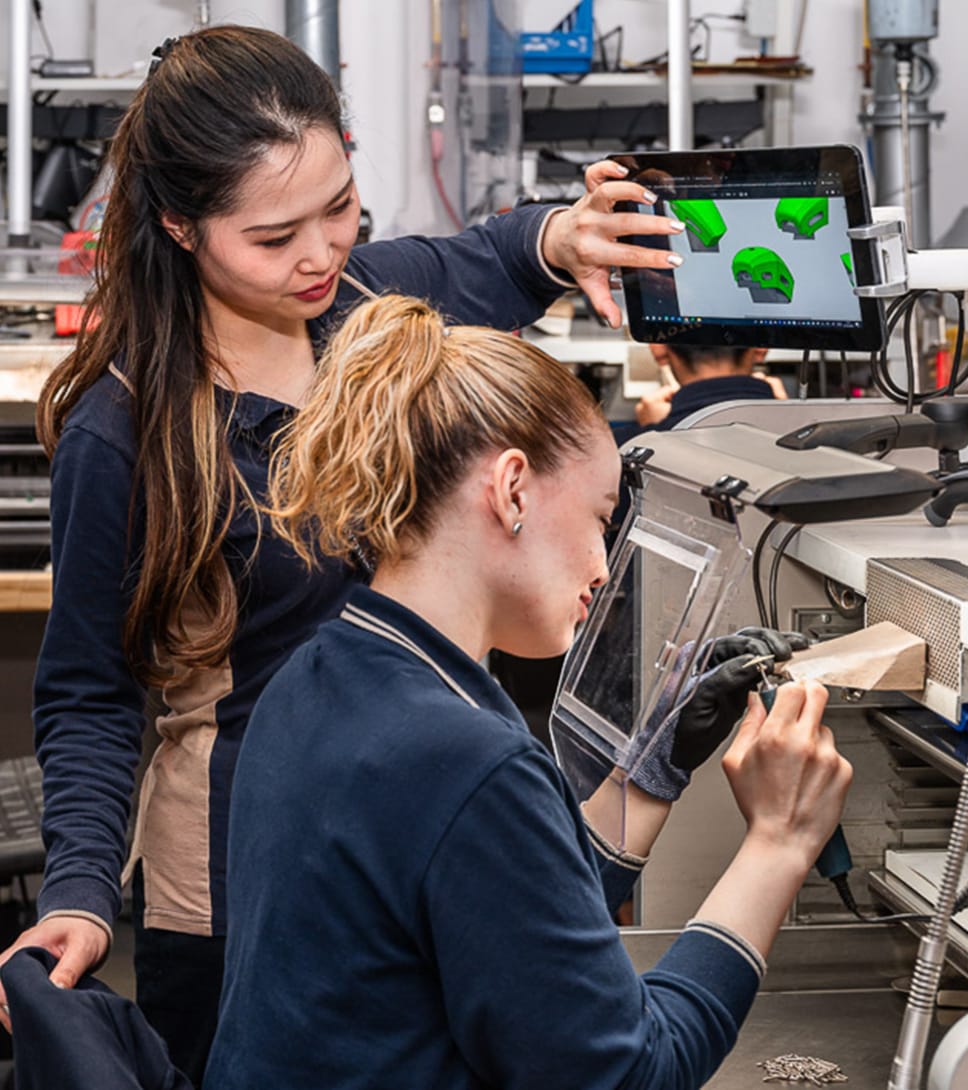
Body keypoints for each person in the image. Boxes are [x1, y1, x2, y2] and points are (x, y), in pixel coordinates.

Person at [0, 24, 688, 1085]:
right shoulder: (125, 427)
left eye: (339, 205)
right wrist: (81, 892)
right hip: (244, 888)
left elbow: (501, 257)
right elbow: (92, 694)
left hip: (421, 836)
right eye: (274, 238)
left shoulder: (370, 308)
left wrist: (570, 231)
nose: (320, 254)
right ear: (181, 225)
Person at [204, 293, 852, 1089]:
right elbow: (629, 1075)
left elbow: (508, 911)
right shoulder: (465, 755)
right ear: (512, 490)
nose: (603, 566)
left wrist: (654, 765)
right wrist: (781, 840)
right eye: (599, 518)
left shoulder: (322, 676)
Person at [616, 342, 787, 444]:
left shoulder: (620, 451)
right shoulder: (805, 442)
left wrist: (652, 434)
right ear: (761, 348)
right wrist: (789, 416)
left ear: (659, 349)